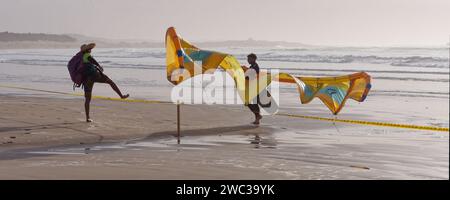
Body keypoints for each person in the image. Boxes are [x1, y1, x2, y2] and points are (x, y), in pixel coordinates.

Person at [80, 43, 129, 122]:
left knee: (88, 99)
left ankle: (87, 117)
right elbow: (92, 60)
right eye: (90, 49)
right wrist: (99, 65)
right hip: (95, 76)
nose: (91, 50)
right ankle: (121, 96)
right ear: (87, 50)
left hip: (87, 79)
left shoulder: (82, 57)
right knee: (110, 82)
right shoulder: (87, 55)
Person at [246, 53, 263, 125]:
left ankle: (257, 118)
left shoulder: (255, 66)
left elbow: (250, 76)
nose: (248, 60)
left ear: (253, 59)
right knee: (250, 103)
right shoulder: (252, 66)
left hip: (255, 87)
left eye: (249, 59)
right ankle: (257, 117)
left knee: (253, 103)